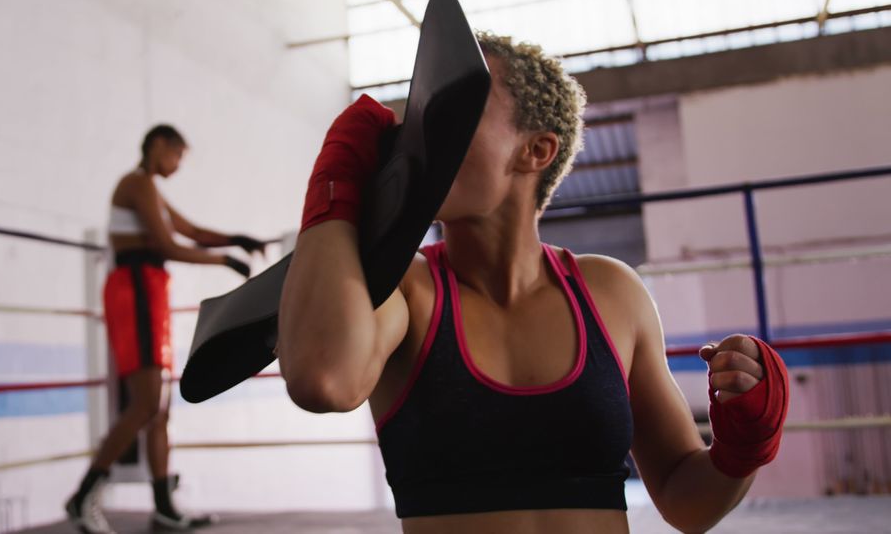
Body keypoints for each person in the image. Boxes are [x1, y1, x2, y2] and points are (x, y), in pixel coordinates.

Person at [278, 33, 789, 534]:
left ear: (536, 150)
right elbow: (324, 381)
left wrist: (743, 447)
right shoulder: (407, 291)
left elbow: (687, 503)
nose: (426, 134)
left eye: (459, 110)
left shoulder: (611, 291)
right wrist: (335, 181)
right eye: (424, 115)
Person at [66, 124, 265, 534]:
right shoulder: (135, 184)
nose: (177, 165)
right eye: (177, 155)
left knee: (159, 409)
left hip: (149, 290)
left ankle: (163, 508)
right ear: (159, 145)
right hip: (135, 287)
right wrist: (225, 261)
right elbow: (166, 245)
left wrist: (235, 238)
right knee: (144, 404)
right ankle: (82, 495)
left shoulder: (150, 190)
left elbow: (189, 231)